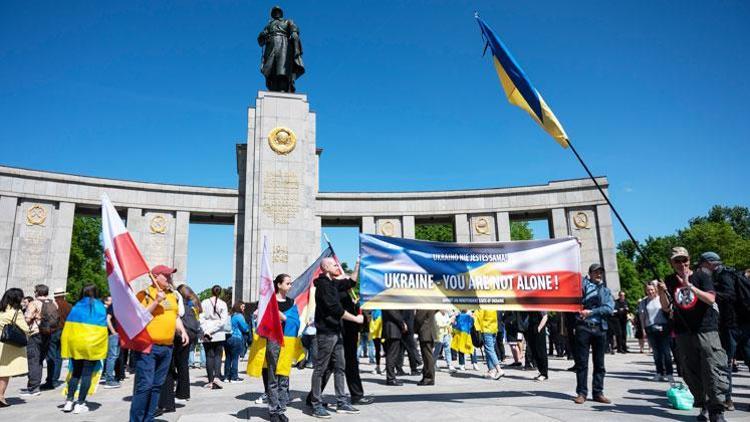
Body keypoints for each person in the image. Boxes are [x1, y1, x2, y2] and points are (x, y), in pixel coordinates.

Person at [658, 247, 729, 422]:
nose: (682, 264)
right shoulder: (669, 280)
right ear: (671, 263)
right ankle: (703, 405)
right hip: (683, 331)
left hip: (706, 329)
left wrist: (690, 287)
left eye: (684, 260)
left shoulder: (702, 276)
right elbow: (666, 307)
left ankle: (716, 409)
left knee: (713, 368)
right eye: (677, 261)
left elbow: (711, 299)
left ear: (689, 260)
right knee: (691, 371)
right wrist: (661, 291)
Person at [130, 265, 190, 422]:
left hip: (167, 347)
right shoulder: (145, 294)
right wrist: (156, 301)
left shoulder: (172, 295)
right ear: (155, 277)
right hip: (148, 346)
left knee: (157, 386)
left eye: (170, 275)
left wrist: (182, 331)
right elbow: (139, 316)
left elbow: (175, 316)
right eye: (166, 275)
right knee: (145, 386)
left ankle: (148, 418)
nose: (170, 278)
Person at [308, 257, 364, 418]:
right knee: (320, 369)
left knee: (340, 367)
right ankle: (316, 404)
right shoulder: (324, 286)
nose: (337, 267)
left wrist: (357, 264)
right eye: (334, 265)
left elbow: (350, 283)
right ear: (325, 268)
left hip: (336, 332)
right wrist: (355, 319)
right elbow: (335, 309)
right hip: (326, 333)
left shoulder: (332, 283)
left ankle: (341, 402)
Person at [60, 284, 108, 414]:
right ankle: (80, 403)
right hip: (92, 345)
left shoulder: (76, 306)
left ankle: (69, 401)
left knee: (75, 372)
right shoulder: (100, 307)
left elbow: (68, 327)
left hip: (76, 344)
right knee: (86, 374)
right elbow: (103, 329)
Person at [573, 263, 614, 405]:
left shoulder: (605, 291)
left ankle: (598, 392)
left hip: (599, 328)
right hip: (583, 327)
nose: (598, 274)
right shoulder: (582, 285)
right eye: (596, 272)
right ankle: (581, 393)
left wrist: (592, 312)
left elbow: (609, 308)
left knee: (599, 363)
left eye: (600, 272)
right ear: (589, 273)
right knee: (582, 363)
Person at [157, 283, 198, 416]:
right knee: (182, 364)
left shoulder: (173, 296)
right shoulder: (192, 305)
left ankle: (166, 402)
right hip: (188, 334)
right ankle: (183, 392)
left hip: (175, 334)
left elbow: (177, 314)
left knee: (167, 367)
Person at [22, 283, 59, 397]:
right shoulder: (54, 303)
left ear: (38, 292)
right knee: (40, 359)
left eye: (35, 291)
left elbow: (27, 319)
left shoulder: (34, 303)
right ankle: (35, 385)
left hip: (35, 333)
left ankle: (33, 387)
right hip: (48, 334)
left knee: (33, 360)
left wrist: (30, 318)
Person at [0, 288, 30, 407]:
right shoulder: (16, 312)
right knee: (4, 372)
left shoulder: (1, 310)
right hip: (6, 345)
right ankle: (0, 397)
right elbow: (26, 329)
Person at [637, 283, 673, 382]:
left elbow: (668, 310)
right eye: (648, 290)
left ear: (656, 290)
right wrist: (643, 329)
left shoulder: (660, 299)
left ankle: (669, 373)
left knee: (666, 352)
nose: (650, 292)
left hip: (663, 327)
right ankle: (659, 372)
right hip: (650, 328)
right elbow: (642, 317)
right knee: (656, 353)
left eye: (652, 289)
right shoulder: (643, 302)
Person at [199, 285, 229, 389]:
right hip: (218, 333)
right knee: (218, 356)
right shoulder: (223, 304)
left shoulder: (204, 302)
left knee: (209, 356)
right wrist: (212, 330)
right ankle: (217, 377)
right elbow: (223, 321)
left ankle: (210, 380)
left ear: (211, 292)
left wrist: (206, 330)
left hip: (206, 331)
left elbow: (200, 317)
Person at [43, 287, 70, 390]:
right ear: (63, 295)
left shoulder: (52, 305)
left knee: (51, 356)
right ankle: (55, 379)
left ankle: (50, 380)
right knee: (59, 357)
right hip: (65, 332)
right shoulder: (69, 306)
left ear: (55, 296)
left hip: (54, 332)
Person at [474, 309, 504, 379]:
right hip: (493, 329)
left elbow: (478, 317)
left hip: (486, 329)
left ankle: (499, 369)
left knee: (489, 350)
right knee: (489, 350)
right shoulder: (492, 305)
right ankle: (491, 371)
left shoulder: (482, 307)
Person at [226, 301, 249, 383]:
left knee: (228, 358)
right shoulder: (239, 316)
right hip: (236, 337)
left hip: (228, 337)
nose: (244, 308)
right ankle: (234, 377)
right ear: (238, 307)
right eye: (242, 306)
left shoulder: (231, 315)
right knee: (235, 358)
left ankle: (226, 376)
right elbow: (245, 328)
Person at [382, 310, 406, 386]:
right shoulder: (389, 301)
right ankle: (391, 378)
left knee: (392, 355)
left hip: (392, 330)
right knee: (391, 355)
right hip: (392, 330)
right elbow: (395, 314)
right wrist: (403, 323)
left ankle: (391, 377)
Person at [414, 310, 438, 385]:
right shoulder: (430, 304)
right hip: (429, 332)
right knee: (427, 356)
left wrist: (413, 328)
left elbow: (419, 318)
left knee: (427, 356)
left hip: (426, 332)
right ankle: (426, 376)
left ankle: (429, 377)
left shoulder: (424, 305)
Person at [102, 295, 121, 388]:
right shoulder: (113, 306)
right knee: (112, 356)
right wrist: (113, 332)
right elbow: (107, 319)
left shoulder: (118, 305)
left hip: (118, 335)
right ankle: (109, 379)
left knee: (114, 356)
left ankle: (110, 378)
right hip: (114, 335)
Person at [526, 311, 549, 381]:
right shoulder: (531, 305)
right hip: (531, 327)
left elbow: (545, 317)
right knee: (534, 350)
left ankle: (544, 373)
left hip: (539, 328)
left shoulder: (540, 304)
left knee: (541, 351)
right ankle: (540, 371)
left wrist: (539, 327)